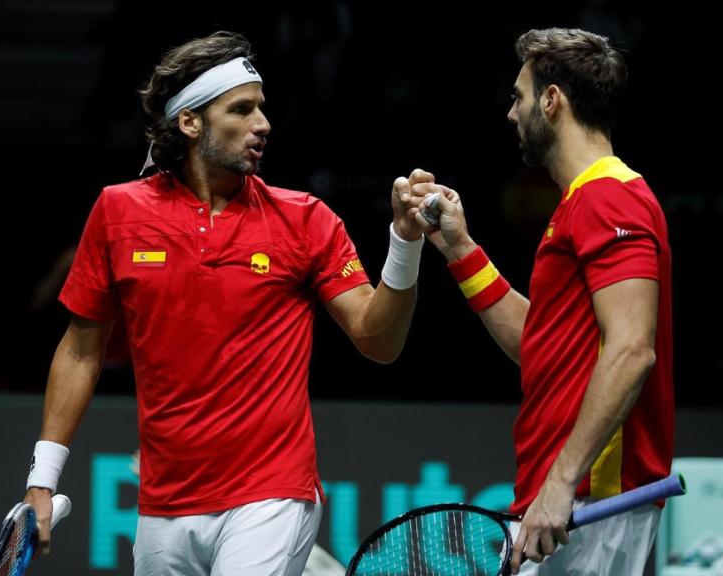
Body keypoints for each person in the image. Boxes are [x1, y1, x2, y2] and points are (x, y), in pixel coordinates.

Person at [22, 31, 428, 576]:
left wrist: (403, 244)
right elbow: (78, 352)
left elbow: (377, 341)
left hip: (272, 491)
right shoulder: (117, 212)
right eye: (241, 110)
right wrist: (41, 482)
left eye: (262, 108)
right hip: (163, 504)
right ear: (190, 122)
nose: (263, 124)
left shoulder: (305, 219)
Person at [405, 27, 673, 574]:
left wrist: (562, 479)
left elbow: (631, 350)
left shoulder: (608, 198)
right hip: (566, 498)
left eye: (519, 96)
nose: (511, 113)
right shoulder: (581, 204)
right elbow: (542, 349)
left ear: (552, 101)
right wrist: (459, 248)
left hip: (593, 500)